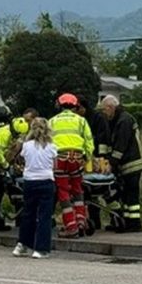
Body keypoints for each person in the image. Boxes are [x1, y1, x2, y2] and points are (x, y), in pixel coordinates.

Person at [12, 117, 58, 259]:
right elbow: (55, 166)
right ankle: (41, 249)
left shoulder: (27, 146)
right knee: (44, 217)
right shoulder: (52, 146)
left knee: (28, 214)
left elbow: (23, 160)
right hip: (46, 181)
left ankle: (22, 245)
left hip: (30, 182)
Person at [101, 94, 142, 233]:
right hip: (129, 163)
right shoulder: (120, 119)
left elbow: (120, 146)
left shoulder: (124, 121)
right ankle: (127, 222)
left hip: (132, 164)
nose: (104, 113)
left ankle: (134, 224)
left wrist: (111, 163)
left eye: (104, 110)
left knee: (131, 195)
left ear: (110, 107)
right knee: (126, 194)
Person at [49, 93, 94, 237]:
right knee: (77, 189)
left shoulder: (52, 121)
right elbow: (89, 141)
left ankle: (70, 225)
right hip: (77, 158)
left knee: (63, 192)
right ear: (75, 106)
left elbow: (48, 143)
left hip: (60, 159)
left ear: (59, 105)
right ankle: (81, 221)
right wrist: (86, 157)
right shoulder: (81, 121)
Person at [78, 96, 112, 229]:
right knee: (89, 191)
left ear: (82, 108)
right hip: (86, 158)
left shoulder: (97, 118)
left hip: (97, 159)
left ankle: (103, 219)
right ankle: (94, 220)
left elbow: (102, 139)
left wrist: (101, 158)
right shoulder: (82, 119)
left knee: (100, 190)